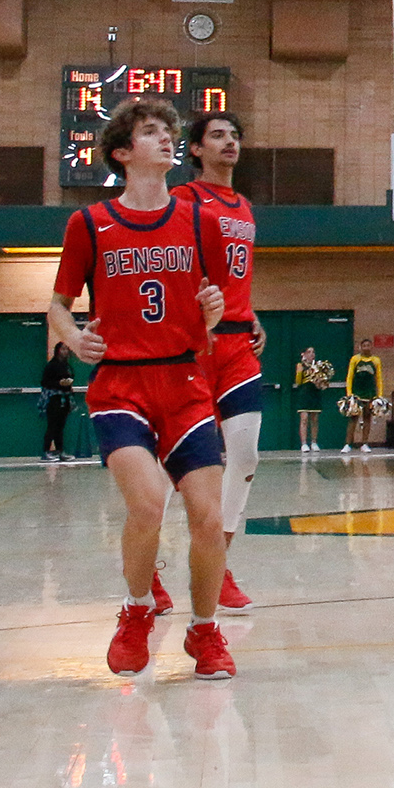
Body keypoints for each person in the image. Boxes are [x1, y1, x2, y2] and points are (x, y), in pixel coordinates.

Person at [49, 96, 234, 680]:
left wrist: (212, 309)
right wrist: (75, 340)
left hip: (184, 379)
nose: (166, 139)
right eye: (152, 132)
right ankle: (135, 612)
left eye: (168, 132)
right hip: (120, 386)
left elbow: (211, 302)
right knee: (149, 504)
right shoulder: (89, 223)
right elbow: (57, 305)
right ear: (125, 153)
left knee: (207, 517)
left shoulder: (198, 220)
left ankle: (204, 632)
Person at [183, 109, 263, 611]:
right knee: (187, 466)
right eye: (217, 135)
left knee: (247, 454)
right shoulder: (183, 201)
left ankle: (221, 560)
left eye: (234, 135)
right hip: (194, 345)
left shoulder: (246, 207)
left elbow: (238, 278)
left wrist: (253, 313)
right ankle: (154, 565)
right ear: (195, 149)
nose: (229, 142)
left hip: (237, 345)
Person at [41, 338, 82, 464]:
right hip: (54, 398)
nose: (65, 352)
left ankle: (60, 451)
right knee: (52, 425)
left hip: (65, 397)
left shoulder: (67, 365)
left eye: (66, 349)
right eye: (62, 349)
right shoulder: (51, 365)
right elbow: (44, 382)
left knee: (60, 426)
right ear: (57, 351)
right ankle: (46, 451)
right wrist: (58, 383)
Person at [344, 344, 384, 455]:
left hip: (370, 394)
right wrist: (349, 394)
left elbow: (379, 378)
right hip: (357, 394)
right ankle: (348, 444)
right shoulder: (355, 359)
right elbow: (349, 377)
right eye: (364, 346)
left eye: (368, 346)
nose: (366, 348)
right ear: (360, 347)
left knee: (367, 418)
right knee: (353, 419)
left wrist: (379, 395)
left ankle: (364, 443)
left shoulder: (376, 360)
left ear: (371, 347)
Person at [291, 347, 328, 454]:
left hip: (315, 393)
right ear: (304, 354)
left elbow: (322, 383)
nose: (312, 354)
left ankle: (314, 442)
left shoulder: (318, 366)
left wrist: (320, 382)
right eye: (309, 352)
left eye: (313, 352)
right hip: (304, 393)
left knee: (315, 418)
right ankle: (304, 443)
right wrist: (300, 372)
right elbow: (298, 382)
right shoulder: (300, 365)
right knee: (304, 418)